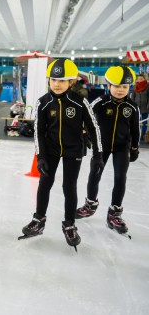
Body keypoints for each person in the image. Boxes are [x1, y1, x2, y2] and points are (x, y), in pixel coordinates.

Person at [21, 58, 103, 250]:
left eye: (62, 80)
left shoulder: (81, 102)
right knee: (44, 183)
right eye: (53, 80)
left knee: (69, 186)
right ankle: (38, 219)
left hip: (73, 149)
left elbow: (94, 128)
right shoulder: (43, 103)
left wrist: (98, 154)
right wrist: (40, 156)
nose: (56, 84)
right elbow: (38, 132)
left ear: (71, 82)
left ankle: (69, 224)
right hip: (50, 150)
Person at [76, 66, 140, 236]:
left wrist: (134, 148)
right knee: (95, 173)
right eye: (117, 86)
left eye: (125, 87)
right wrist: (84, 136)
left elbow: (135, 129)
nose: (120, 90)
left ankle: (115, 212)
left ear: (129, 87)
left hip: (122, 147)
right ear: (109, 85)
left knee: (120, 177)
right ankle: (90, 204)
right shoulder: (100, 102)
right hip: (101, 146)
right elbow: (86, 118)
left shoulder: (132, 107)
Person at [130, 72, 148, 142]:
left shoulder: (147, 86)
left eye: (141, 79)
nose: (140, 80)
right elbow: (133, 96)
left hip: (145, 107)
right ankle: (135, 134)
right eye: (138, 79)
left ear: (144, 79)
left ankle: (143, 135)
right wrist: (132, 105)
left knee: (144, 123)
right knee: (135, 122)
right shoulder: (136, 86)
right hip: (136, 107)